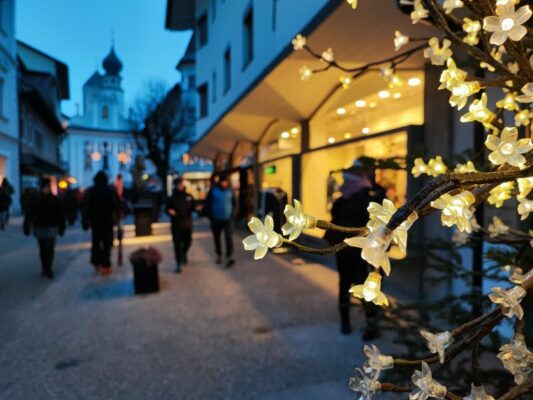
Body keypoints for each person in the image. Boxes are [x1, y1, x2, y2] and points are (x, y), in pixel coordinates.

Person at [325, 160, 386, 338]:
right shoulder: (348, 198)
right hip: (349, 249)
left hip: (363, 250)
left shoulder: (368, 196)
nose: (346, 184)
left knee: (364, 284)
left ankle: (369, 323)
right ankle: (352, 321)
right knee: (348, 284)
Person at [23, 178, 65, 279]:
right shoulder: (35, 199)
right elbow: (29, 214)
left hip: (51, 227)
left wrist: (62, 227)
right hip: (40, 227)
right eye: (45, 186)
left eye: (48, 186)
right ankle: (45, 268)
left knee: (49, 249)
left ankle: (48, 268)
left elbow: (60, 215)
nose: (47, 188)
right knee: (43, 249)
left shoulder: (55, 199)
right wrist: (27, 226)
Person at [82, 171, 120, 275]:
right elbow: (116, 205)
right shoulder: (110, 190)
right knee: (107, 243)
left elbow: (85, 207)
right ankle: (106, 264)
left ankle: (96, 262)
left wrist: (85, 221)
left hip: (95, 222)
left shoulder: (91, 191)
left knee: (96, 242)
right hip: (107, 221)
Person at [203, 174, 236, 268]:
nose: (224, 183)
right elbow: (207, 203)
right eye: (222, 181)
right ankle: (219, 254)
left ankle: (229, 256)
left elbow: (235, 203)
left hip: (228, 219)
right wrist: (210, 216)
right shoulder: (213, 190)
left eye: (225, 181)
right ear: (219, 182)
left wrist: (233, 214)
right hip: (216, 219)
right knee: (217, 238)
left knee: (229, 238)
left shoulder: (230, 191)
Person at [166, 177, 195, 273]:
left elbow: (193, 207)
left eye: (182, 184)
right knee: (177, 244)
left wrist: (199, 209)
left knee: (188, 241)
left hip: (187, 223)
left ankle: (184, 253)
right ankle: (178, 262)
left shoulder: (189, 196)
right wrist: (170, 211)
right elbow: (167, 208)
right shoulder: (172, 197)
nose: (181, 185)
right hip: (176, 224)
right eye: (179, 184)